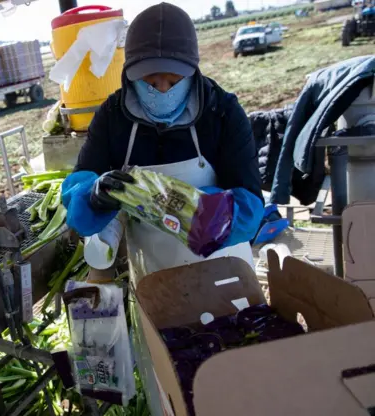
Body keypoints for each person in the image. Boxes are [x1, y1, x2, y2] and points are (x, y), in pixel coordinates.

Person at [63, 2, 264, 272]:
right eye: (149, 80)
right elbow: (77, 188)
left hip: (222, 267)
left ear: (192, 71)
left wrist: (201, 212)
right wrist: (93, 196)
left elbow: (251, 206)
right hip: (152, 274)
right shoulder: (112, 116)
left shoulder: (222, 112)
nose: (161, 90)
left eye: (173, 80)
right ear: (130, 74)